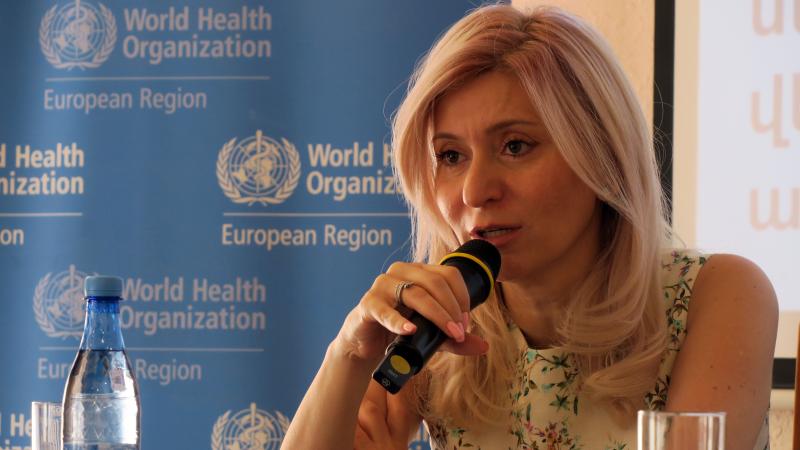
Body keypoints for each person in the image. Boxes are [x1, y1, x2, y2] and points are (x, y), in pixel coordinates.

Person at [281, 4, 778, 450]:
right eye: (450, 156)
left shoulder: (717, 293)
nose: (475, 191)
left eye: (515, 146)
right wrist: (351, 352)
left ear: (601, 157)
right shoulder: (438, 323)